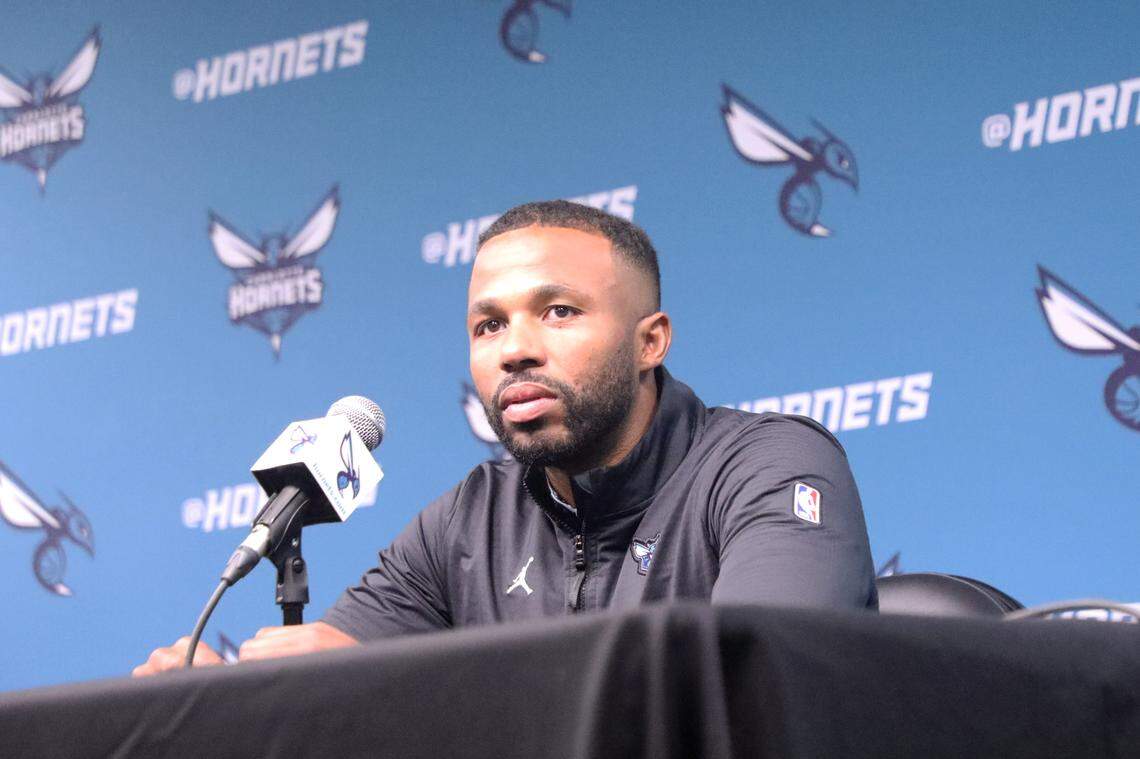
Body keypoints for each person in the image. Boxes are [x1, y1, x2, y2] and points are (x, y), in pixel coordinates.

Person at [134, 201, 875, 676]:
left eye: (557, 312)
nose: (514, 349)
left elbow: (762, 678)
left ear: (651, 341)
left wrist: (430, 694)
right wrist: (219, 695)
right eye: (488, 325)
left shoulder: (770, 465)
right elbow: (335, 682)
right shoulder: (466, 521)